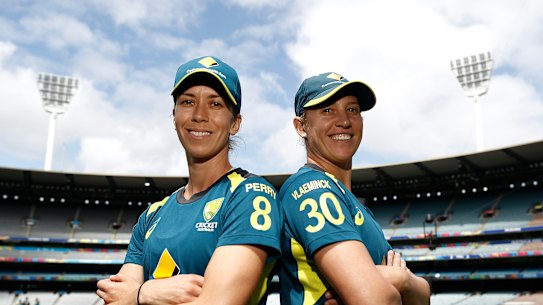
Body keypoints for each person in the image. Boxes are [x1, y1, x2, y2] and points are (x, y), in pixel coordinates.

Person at [97, 56, 282, 305]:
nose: (199, 115)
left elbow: (218, 303)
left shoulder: (251, 195)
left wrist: (139, 294)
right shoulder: (152, 215)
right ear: (174, 116)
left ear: (235, 123)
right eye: (188, 102)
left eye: (215, 104)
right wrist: (147, 294)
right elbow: (117, 299)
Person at [279, 72, 430, 305]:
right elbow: (377, 300)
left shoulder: (355, 206)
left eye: (352, 110)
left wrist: (404, 281)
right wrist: (397, 286)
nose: (345, 121)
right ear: (301, 126)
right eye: (327, 110)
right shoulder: (311, 188)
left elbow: (423, 296)